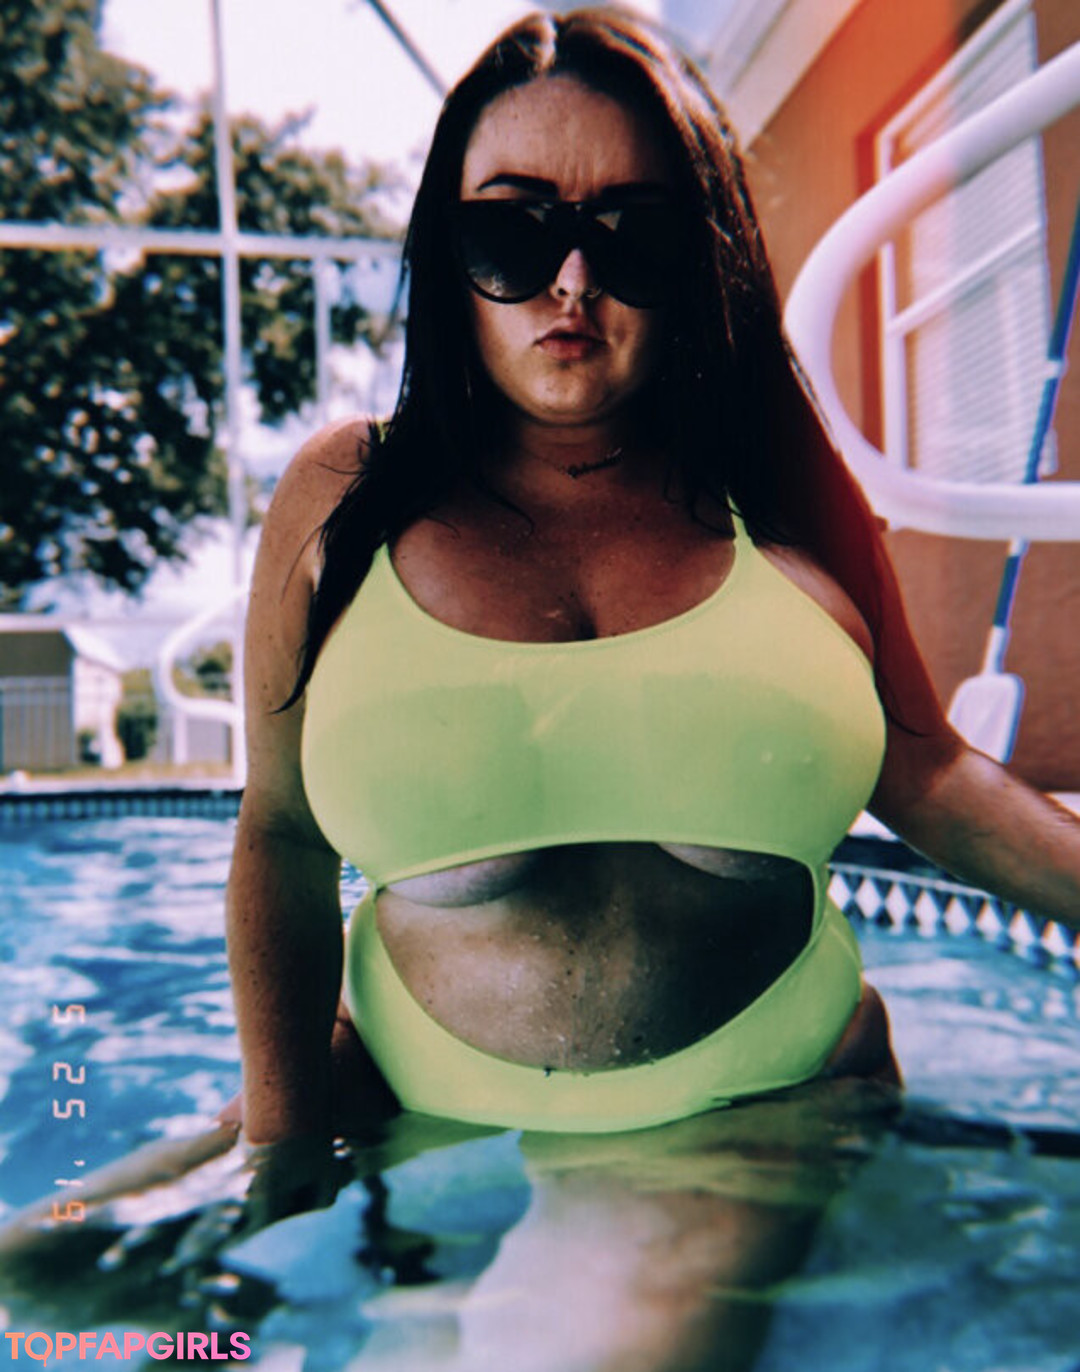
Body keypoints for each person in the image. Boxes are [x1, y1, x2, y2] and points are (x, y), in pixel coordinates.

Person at [226, 6, 1080, 1152]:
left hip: (760, 1102)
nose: (573, 281)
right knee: (66, 1253)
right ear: (444, 250)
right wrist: (280, 1147)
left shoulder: (783, 484)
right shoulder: (343, 496)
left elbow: (926, 771)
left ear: (699, 257)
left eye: (634, 234)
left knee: (596, 1286)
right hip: (388, 1083)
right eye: (514, 231)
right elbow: (283, 831)